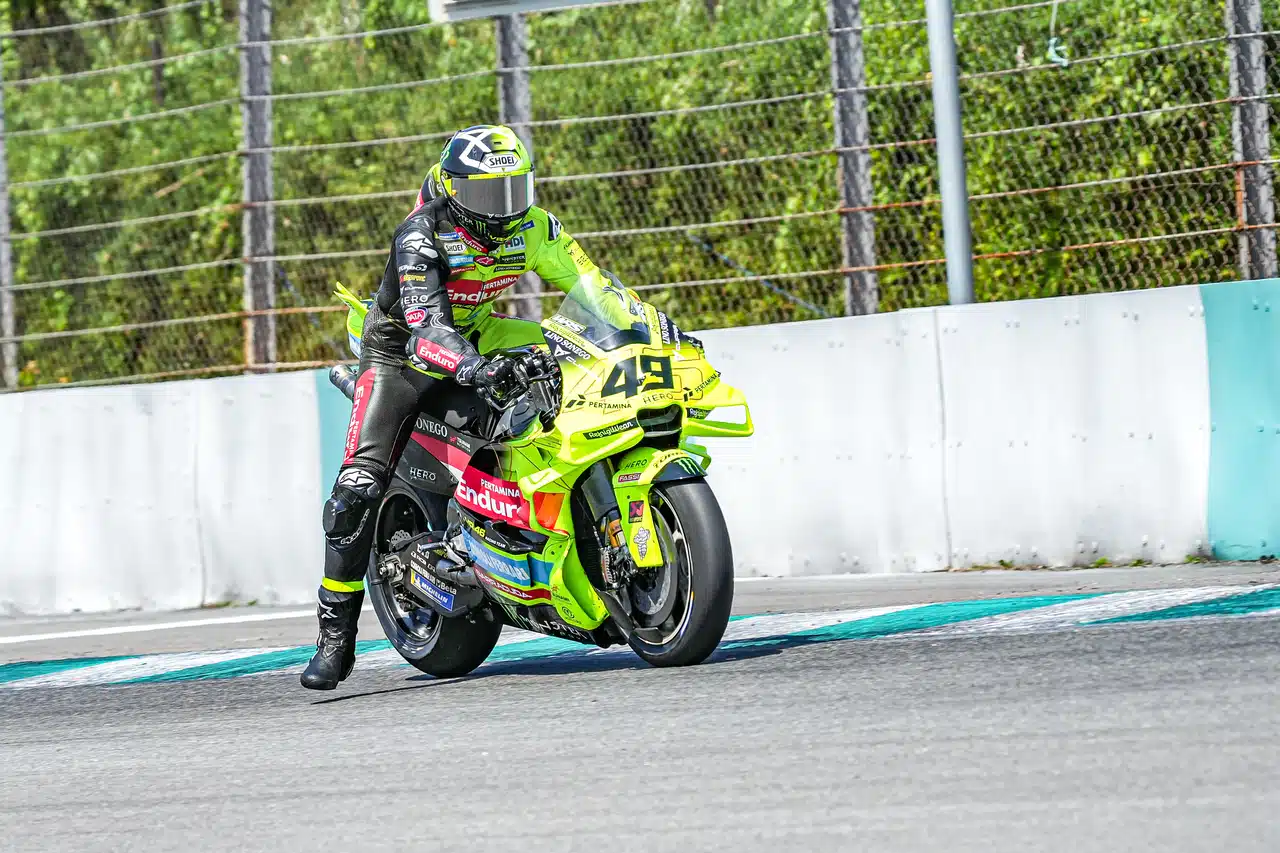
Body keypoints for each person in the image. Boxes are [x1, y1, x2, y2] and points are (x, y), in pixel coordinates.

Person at [302, 125, 624, 690]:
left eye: (513, 190)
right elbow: (427, 326)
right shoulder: (420, 235)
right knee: (354, 492)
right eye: (486, 194)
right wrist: (474, 368)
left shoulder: (536, 226)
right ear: (452, 189)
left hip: (480, 335)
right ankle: (335, 636)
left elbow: (595, 288)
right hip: (402, 355)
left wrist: (646, 330)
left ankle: (545, 533)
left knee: (575, 363)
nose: (502, 209)